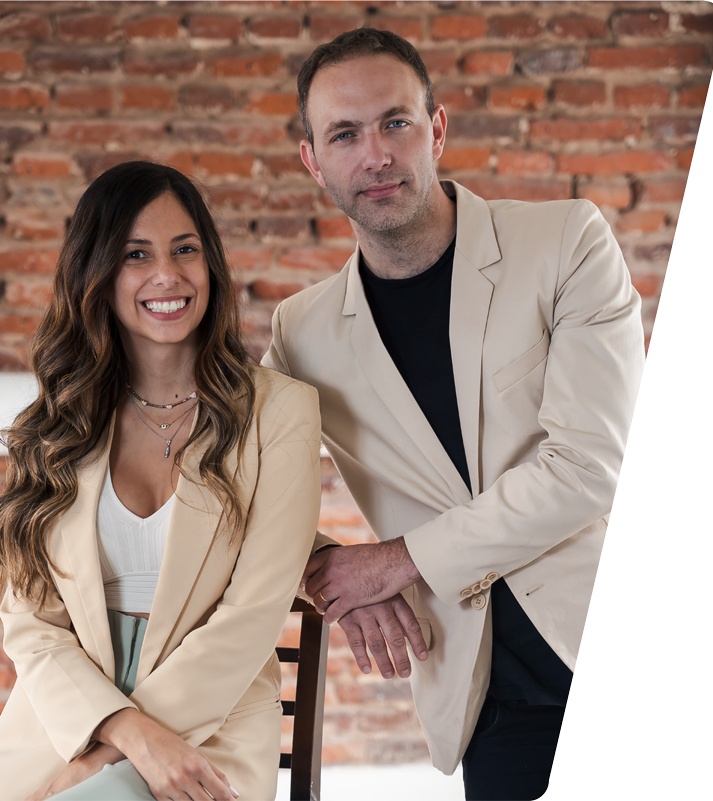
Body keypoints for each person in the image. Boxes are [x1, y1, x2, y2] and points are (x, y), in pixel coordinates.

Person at [261, 28, 645, 801]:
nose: (376, 155)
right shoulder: (300, 332)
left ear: (437, 128)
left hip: (626, 651)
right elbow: (238, 488)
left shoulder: (566, 242)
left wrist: (393, 563)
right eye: (345, 134)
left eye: (396, 122)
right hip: (485, 695)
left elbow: (586, 470)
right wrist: (326, 573)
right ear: (313, 159)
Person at [0, 161, 322, 801]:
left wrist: (113, 759)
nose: (167, 275)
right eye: (136, 255)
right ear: (97, 276)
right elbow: (31, 623)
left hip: (211, 716)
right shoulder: (56, 423)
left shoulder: (281, 412)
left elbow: (252, 615)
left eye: (185, 249)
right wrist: (116, 735)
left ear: (210, 264)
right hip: (70, 716)